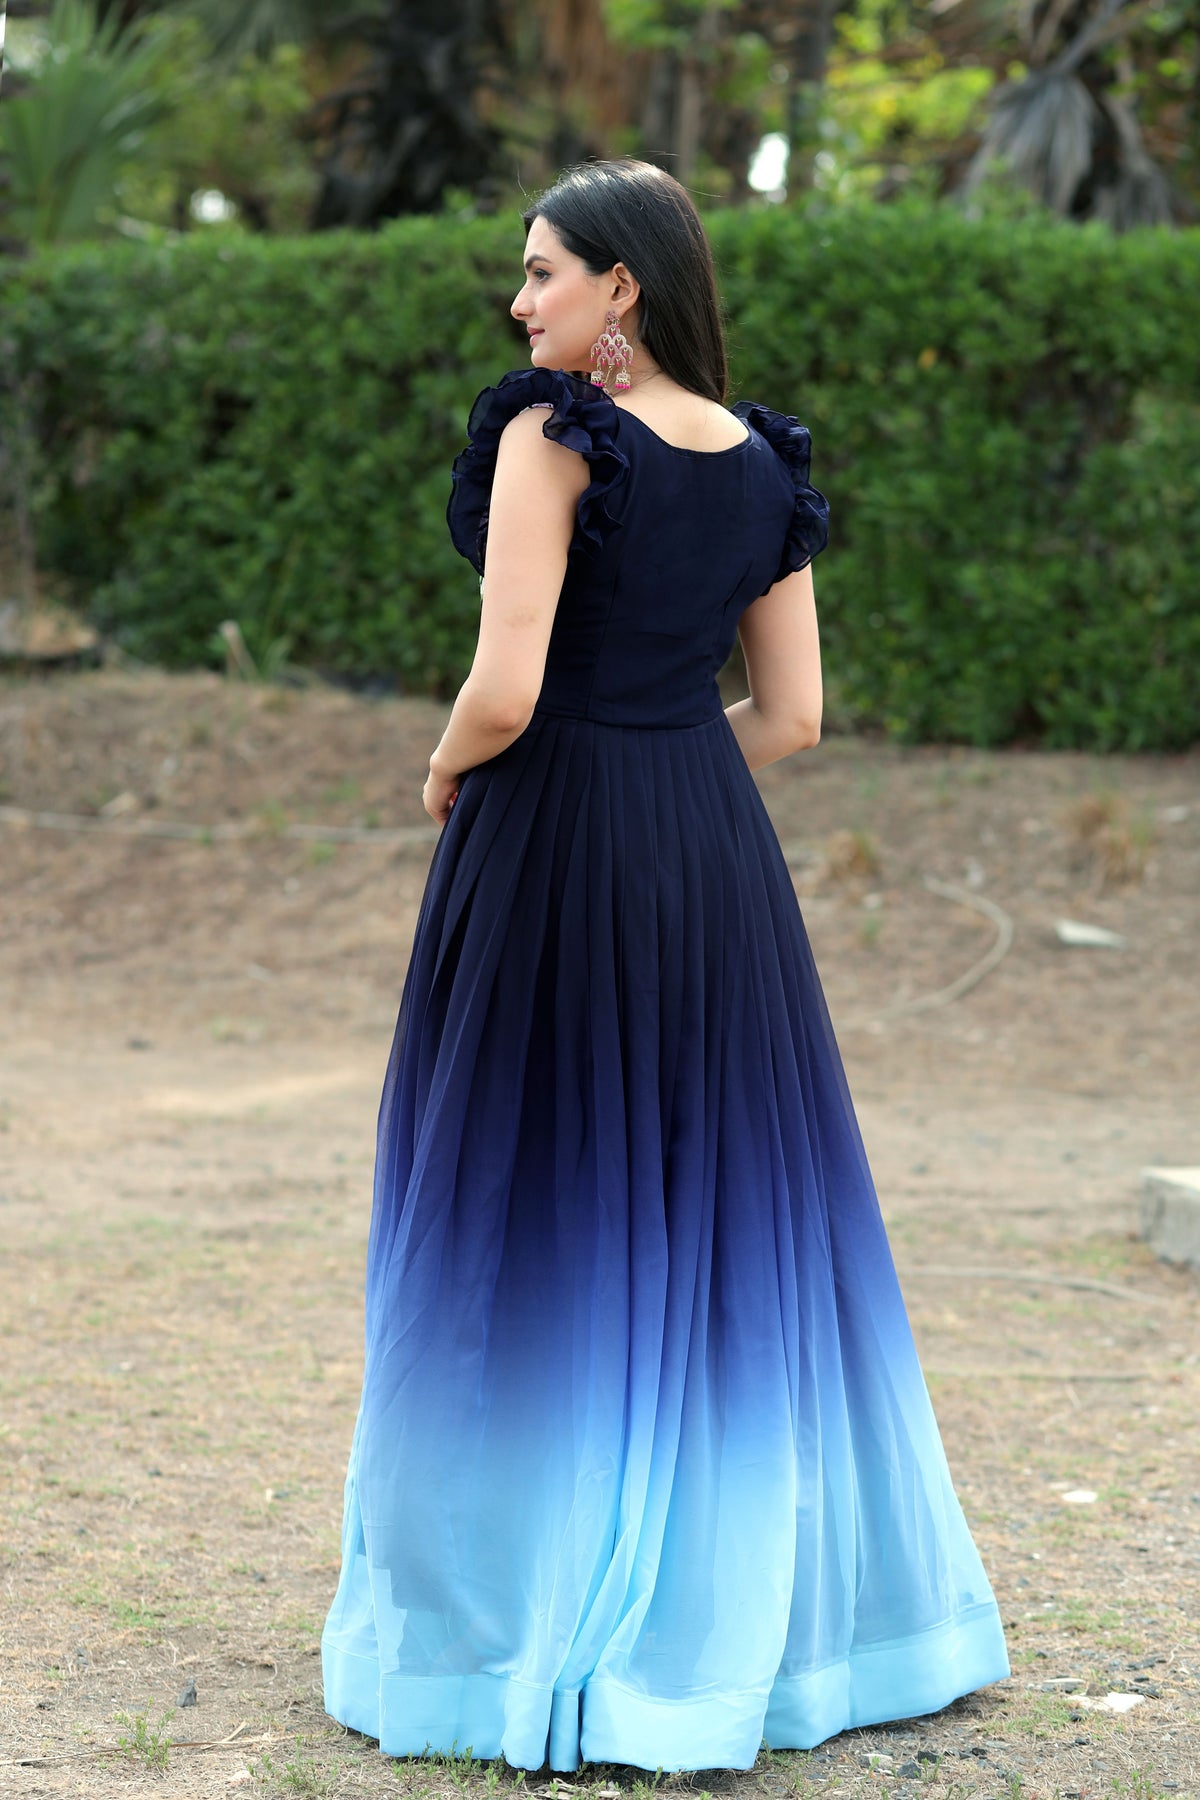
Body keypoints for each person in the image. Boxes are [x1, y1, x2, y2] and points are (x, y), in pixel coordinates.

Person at [321, 158, 1009, 1775]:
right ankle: (725, 1627)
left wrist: (445, 769)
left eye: (543, 271)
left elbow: (505, 686)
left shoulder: (552, 438)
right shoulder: (765, 463)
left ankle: (516, 1619)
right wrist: (669, 772)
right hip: (710, 862)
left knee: (529, 1200)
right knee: (710, 1209)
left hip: (550, 843)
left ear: (619, 285)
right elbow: (794, 718)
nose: (521, 301)